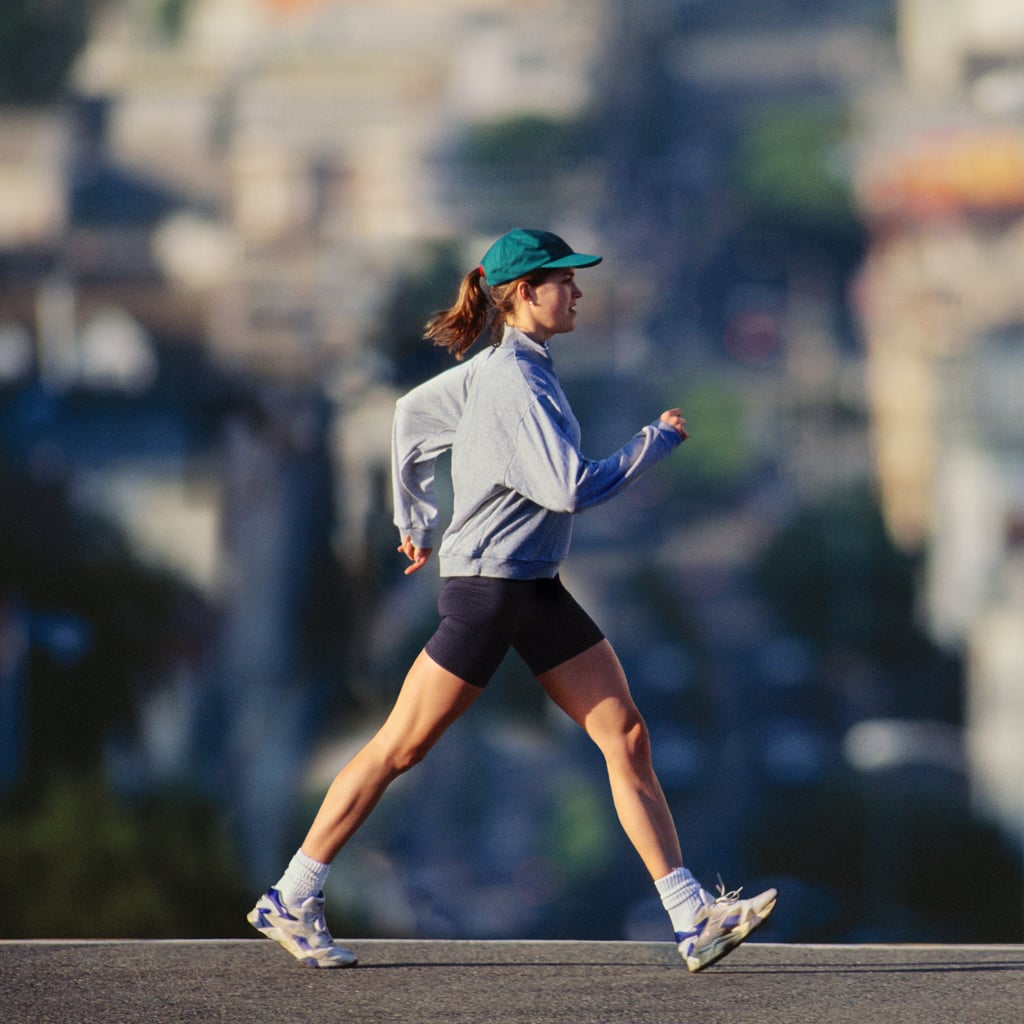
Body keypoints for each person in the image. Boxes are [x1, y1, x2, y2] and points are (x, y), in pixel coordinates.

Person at [247, 228, 777, 972]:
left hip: (534, 587)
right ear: (524, 293)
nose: (579, 292)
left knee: (624, 735)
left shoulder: (503, 369)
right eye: (565, 280)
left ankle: (693, 918)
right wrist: (652, 443)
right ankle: (292, 895)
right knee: (400, 747)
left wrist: (416, 519)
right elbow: (569, 487)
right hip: (492, 594)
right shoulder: (513, 382)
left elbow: (409, 416)